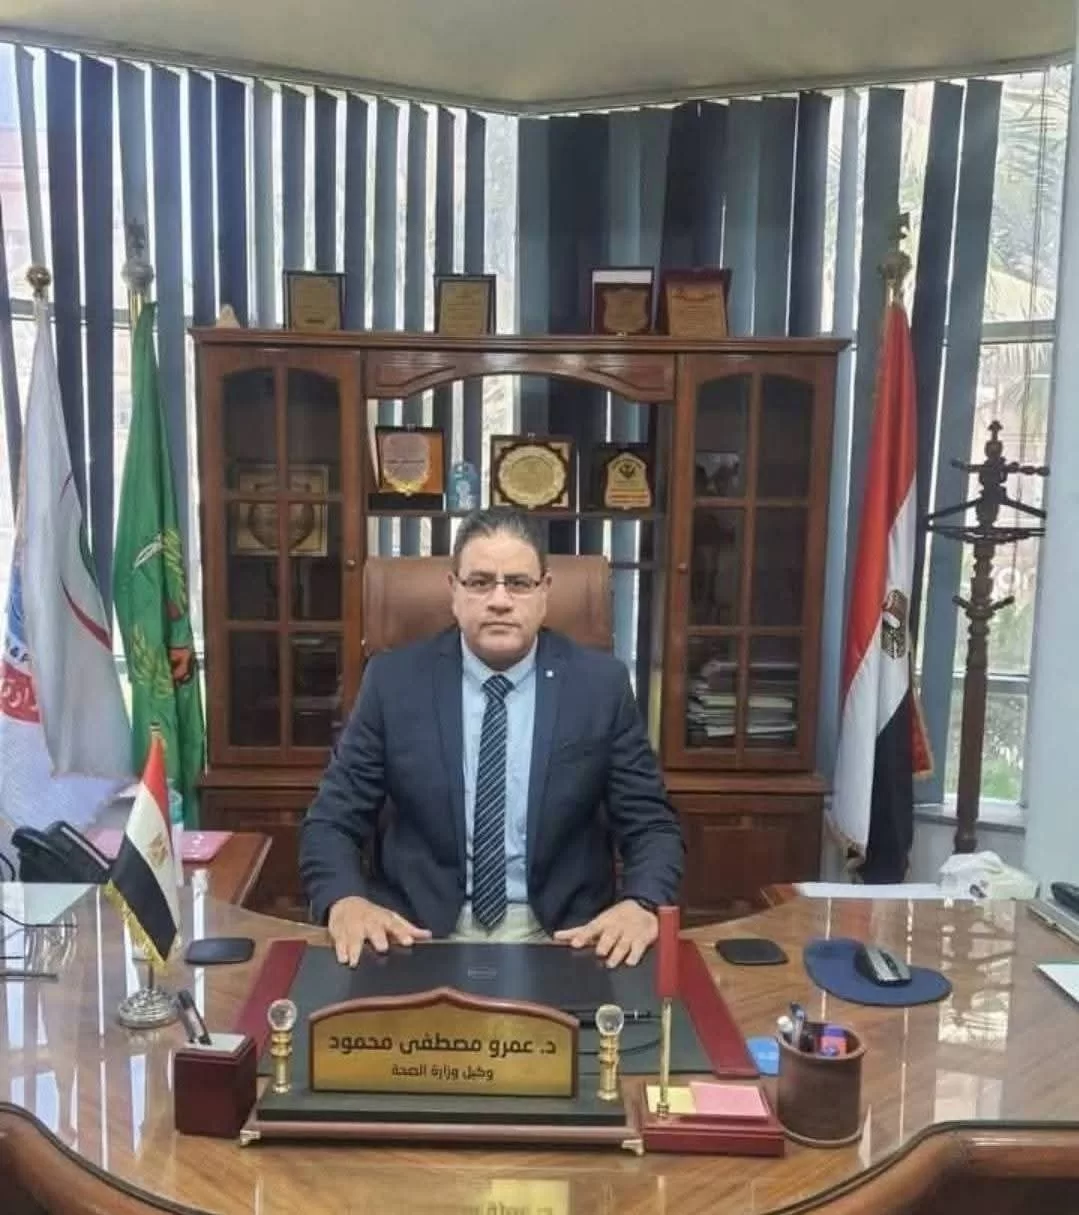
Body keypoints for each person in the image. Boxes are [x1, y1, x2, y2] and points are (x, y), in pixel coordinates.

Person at [300, 507, 684, 968]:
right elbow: (332, 821)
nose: (500, 600)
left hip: (566, 939)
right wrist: (344, 900)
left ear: (544, 591)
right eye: (480, 582)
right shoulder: (392, 682)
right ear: (454, 591)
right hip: (415, 937)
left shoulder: (600, 686)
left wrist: (641, 903)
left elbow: (651, 826)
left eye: (518, 583)